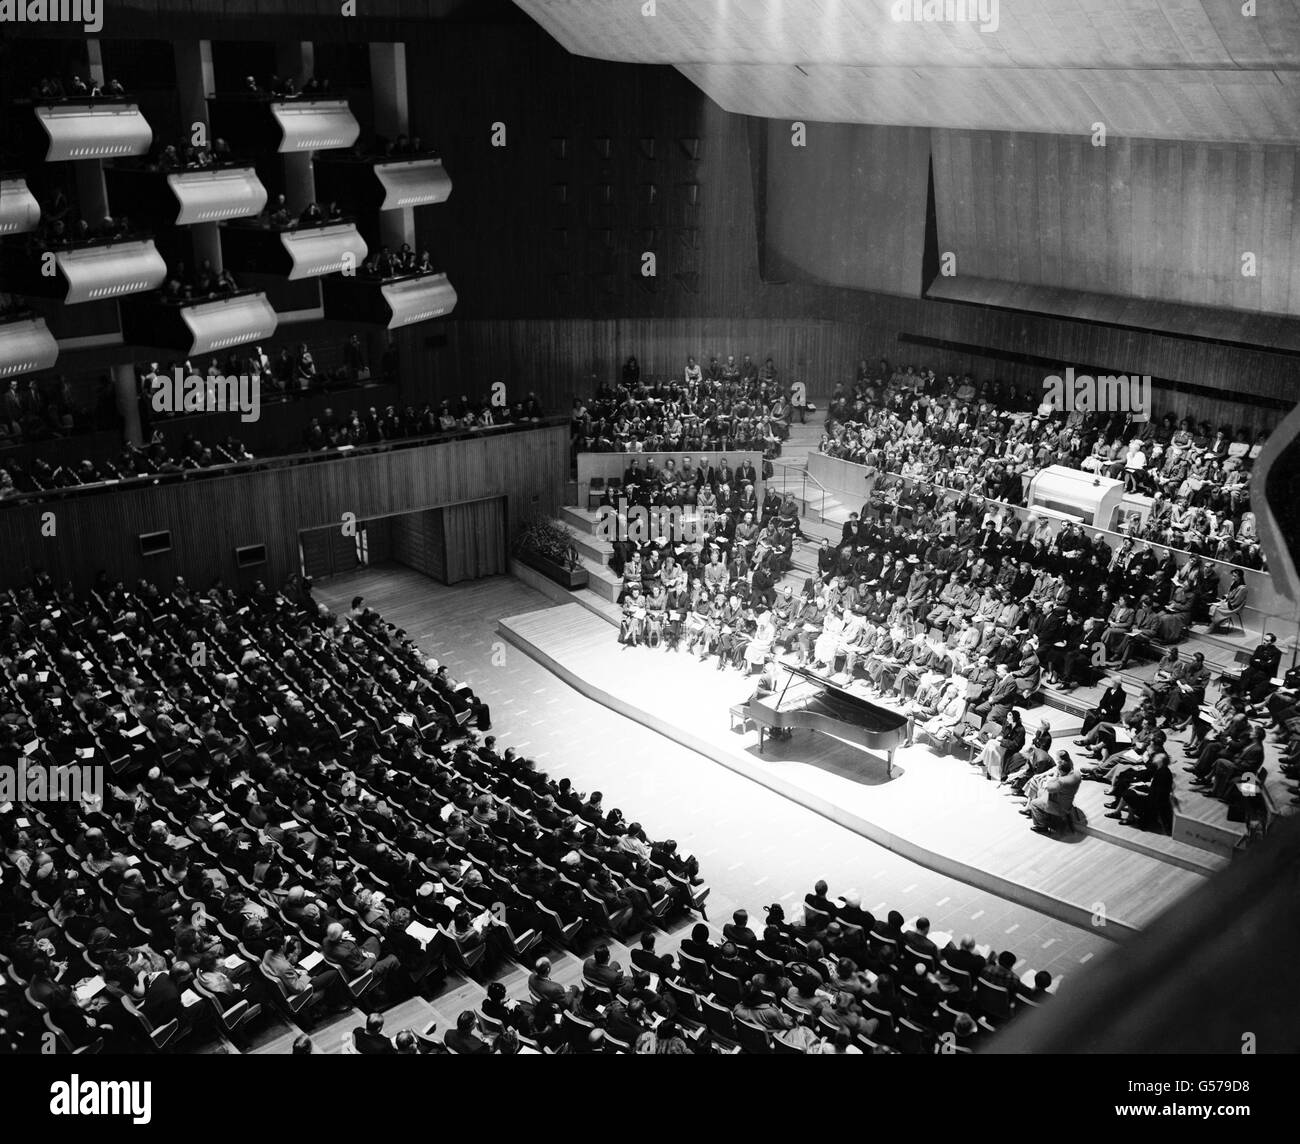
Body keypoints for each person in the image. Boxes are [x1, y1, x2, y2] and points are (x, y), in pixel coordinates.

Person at [1027, 753, 1081, 835]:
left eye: (1058, 771)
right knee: (1040, 792)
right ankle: (1043, 814)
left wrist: (1052, 778)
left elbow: (1049, 788)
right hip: (1067, 802)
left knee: (1034, 803)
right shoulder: (1076, 775)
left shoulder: (1061, 782)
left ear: (1061, 772)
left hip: (1059, 806)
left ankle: (1041, 826)